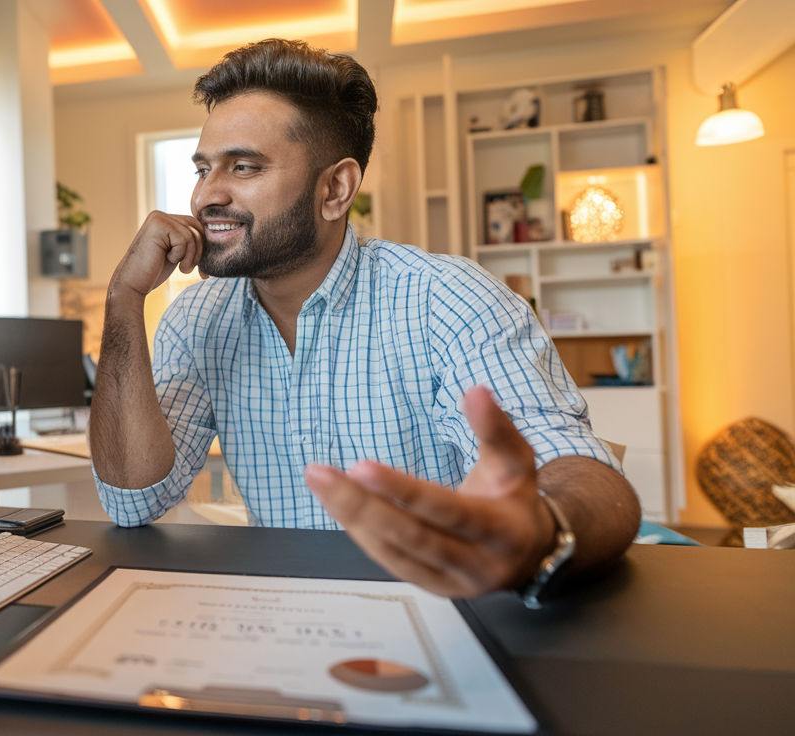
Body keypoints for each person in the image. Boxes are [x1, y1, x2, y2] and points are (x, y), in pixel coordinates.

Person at [87, 39, 640, 602]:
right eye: (203, 168)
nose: (206, 196)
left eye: (244, 166)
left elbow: (582, 474)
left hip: (444, 614)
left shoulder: (443, 298)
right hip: (280, 625)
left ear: (335, 189)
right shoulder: (197, 319)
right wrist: (123, 300)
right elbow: (133, 499)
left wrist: (537, 532)